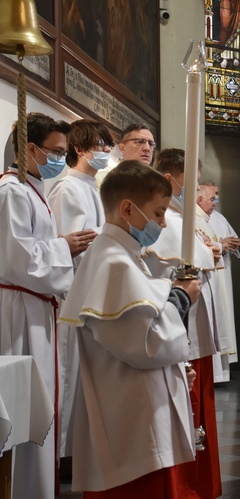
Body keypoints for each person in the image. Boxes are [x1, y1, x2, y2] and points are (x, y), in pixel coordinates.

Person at [59, 160, 200, 497]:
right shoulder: (113, 263)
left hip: (137, 411)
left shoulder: (123, 255)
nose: (163, 224)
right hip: (132, 424)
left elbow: (139, 332)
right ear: (127, 209)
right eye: (158, 213)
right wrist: (181, 297)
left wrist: (177, 368)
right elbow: (146, 345)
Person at [0, 113, 97, 499]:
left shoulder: (32, 189)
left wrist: (60, 245)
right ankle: (19, 487)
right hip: (18, 311)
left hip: (36, 307)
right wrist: (64, 246)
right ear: (30, 149)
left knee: (37, 401)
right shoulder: (12, 192)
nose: (60, 159)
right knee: (21, 403)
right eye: (55, 152)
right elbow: (17, 259)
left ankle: (36, 487)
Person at [142, 149, 222, 499]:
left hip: (192, 328)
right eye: (190, 181)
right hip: (175, 329)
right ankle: (188, 484)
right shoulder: (165, 221)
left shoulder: (184, 217)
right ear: (172, 178)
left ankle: (200, 483)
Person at [48, 119, 114, 461]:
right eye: (100, 145)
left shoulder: (93, 187)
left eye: (107, 145)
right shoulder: (68, 188)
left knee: (84, 377)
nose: (105, 151)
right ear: (79, 149)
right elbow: (72, 243)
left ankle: (78, 451)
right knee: (69, 376)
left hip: (92, 294)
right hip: (74, 295)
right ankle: (63, 455)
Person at [197, 182, 238, 382]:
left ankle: (219, 374)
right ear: (200, 199)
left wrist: (228, 245)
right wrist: (220, 246)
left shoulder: (215, 218)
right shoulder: (195, 219)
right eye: (213, 198)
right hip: (205, 280)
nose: (216, 202)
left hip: (218, 277)